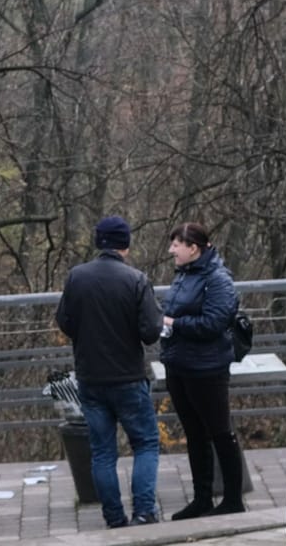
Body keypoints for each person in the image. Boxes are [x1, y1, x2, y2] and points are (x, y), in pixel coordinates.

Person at [55, 215, 165, 527]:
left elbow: (65, 322)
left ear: (98, 242)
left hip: (90, 379)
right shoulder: (136, 280)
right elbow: (151, 331)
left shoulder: (77, 277)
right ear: (125, 245)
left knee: (102, 452)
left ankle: (114, 518)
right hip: (128, 377)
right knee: (145, 443)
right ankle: (144, 513)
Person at [157, 222, 244, 520]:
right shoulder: (184, 275)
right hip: (179, 365)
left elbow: (214, 323)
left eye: (176, 245)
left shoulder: (217, 280)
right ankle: (202, 498)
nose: (171, 250)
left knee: (220, 432)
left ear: (193, 248)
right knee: (194, 434)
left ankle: (233, 499)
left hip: (207, 369)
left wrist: (174, 324)